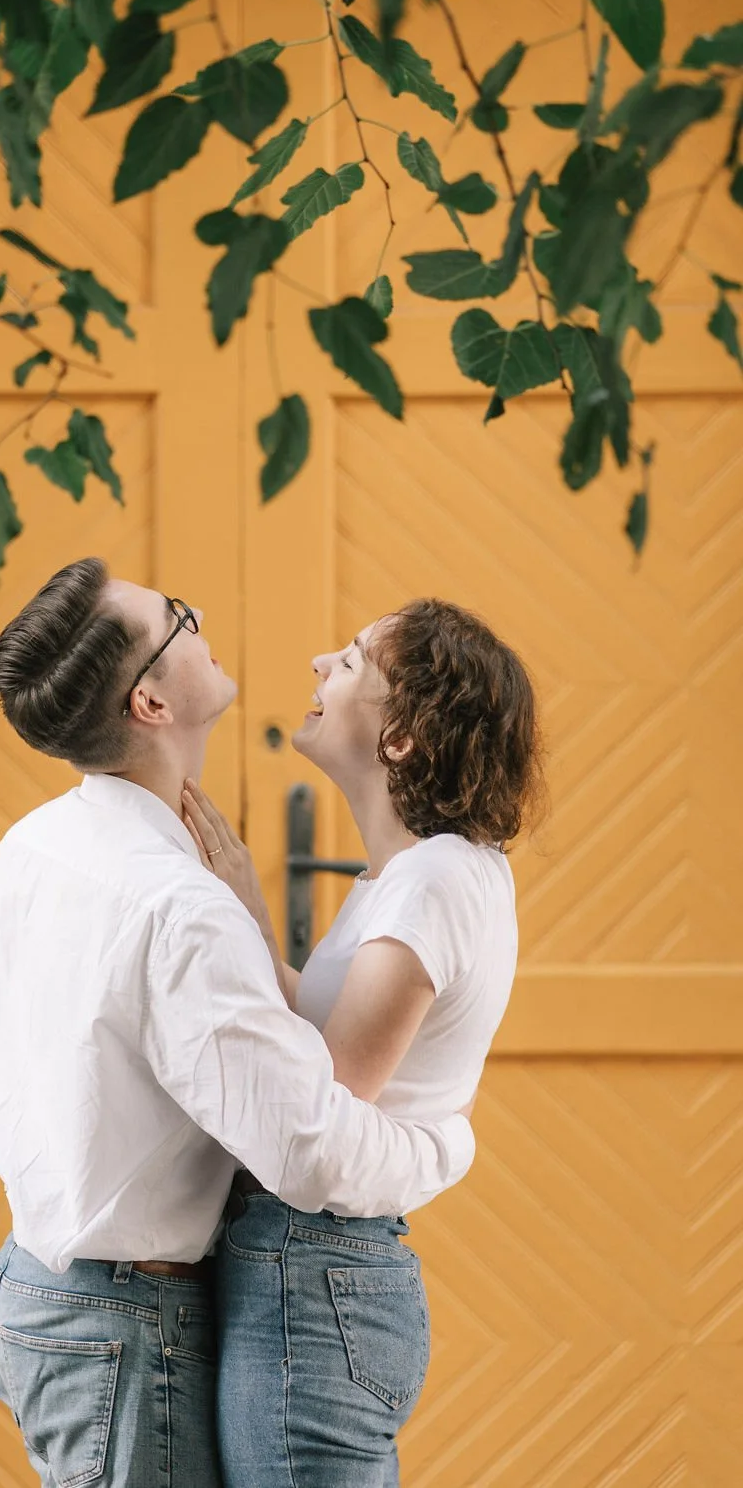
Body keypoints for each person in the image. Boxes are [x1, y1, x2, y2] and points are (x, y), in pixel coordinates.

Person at [0, 559, 478, 1488]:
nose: (199, 622)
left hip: (35, 1289)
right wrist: (443, 1145)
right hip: (120, 1326)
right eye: (177, 619)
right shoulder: (178, 908)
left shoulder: (25, 851)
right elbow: (306, 1152)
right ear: (150, 701)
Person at [181, 598, 544, 1488]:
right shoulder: (421, 875)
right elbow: (330, 1049)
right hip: (318, 1270)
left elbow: (325, 1100)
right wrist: (254, 918)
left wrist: (442, 1144)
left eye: (349, 663)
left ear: (402, 738)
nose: (317, 663)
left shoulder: (432, 881)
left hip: (316, 1271)